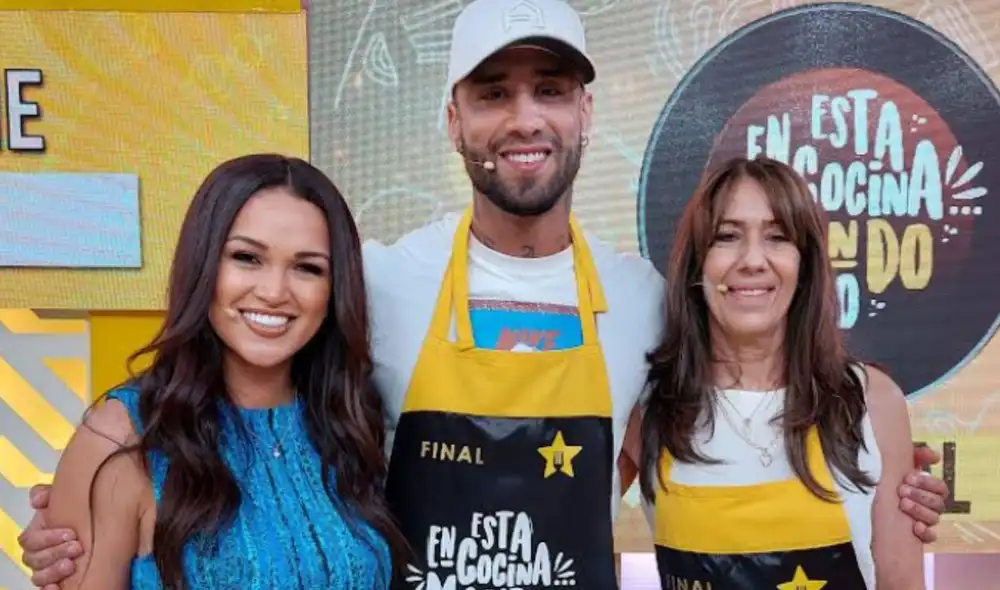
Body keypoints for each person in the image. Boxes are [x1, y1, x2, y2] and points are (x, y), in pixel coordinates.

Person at [18, 1, 948, 588]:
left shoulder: (646, 301)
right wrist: (94, 513)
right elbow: (249, 425)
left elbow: (749, 402)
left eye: (550, 88)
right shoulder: (370, 279)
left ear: (587, 113)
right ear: (453, 117)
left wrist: (893, 477)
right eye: (494, 93)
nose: (524, 117)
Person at [33, 154, 406, 589]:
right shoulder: (124, 436)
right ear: (204, 264)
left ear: (334, 288)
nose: (273, 292)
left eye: (307, 268)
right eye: (247, 258)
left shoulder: (351, 422)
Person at [636, 156, 925, 589]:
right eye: (727, 236)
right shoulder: (647, 407)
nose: (753, 260)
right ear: (698, 264)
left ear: (804, 264)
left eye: (777, 237)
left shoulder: (872, 402)